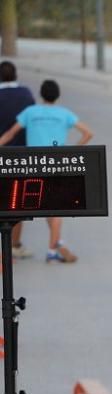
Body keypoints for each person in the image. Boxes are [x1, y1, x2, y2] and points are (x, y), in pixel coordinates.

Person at [0, 79, 94, 264]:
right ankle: (53, 249)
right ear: (58, 96)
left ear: (41, 95)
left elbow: (11, 134)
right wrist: (71, 150)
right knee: (55, 208)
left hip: (33, 163)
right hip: (56, 164)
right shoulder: (64, 113)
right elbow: (88, 133)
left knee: (22, 205)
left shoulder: (30, 112)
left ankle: (42, 245)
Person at [0, 61, 37, 259]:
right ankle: (14, 245)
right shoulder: (25, 94)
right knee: (16, 202)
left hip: (1, 151)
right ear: (15, 75)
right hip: (22, 155)